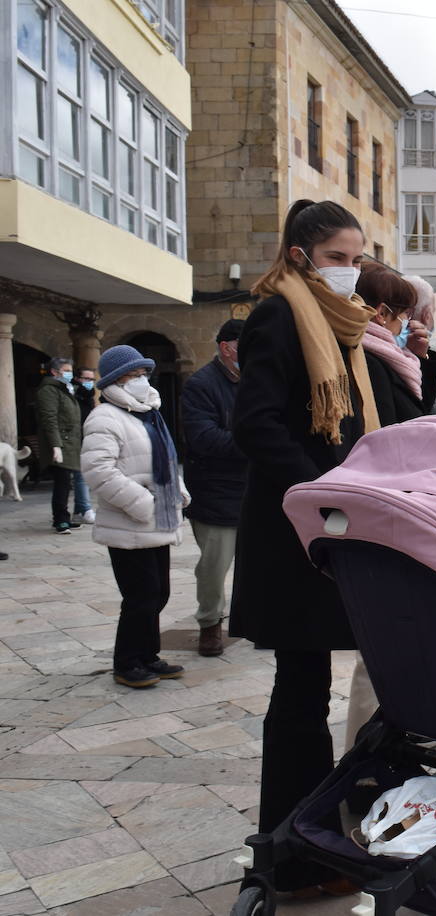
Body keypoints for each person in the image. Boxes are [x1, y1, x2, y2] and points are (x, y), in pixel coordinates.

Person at [229, 198, 377, 894]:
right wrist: (320, 492)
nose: (350, 273)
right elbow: (255, 425)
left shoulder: (338, 325)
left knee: (305, 687)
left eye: (357, 260)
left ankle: (300, 843)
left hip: (324, 528)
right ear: (299, 256)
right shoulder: (281, 315)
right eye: (337, 259)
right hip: (295, 534)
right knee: (299, 692)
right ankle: (295, 855)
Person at [81, 345, 189, 688]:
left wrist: (178, 492)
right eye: (134, 375)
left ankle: (148, 655)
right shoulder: (104, 417)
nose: (142, 381)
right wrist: (142, 503)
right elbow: (98, 471)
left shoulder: (148, 413)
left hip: (157, 521)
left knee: (158, 594)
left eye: (144, 374)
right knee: (140, 596)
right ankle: (126, 662)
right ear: (116, 380)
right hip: (130, 522)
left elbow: (166, 460)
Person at [181, 319, 249, 658]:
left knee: (254, 563)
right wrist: (254, 444)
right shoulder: (201, 385)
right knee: (214, 565)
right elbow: (204, 438)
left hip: (251, 489)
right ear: (227, 348)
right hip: (214, 490)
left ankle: (253, 619)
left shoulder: (255, 381)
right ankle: (210, 624)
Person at [356, 263, 436, 424]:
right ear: (382, 314)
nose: (407, 320)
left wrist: (419, 356)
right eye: (406, 312)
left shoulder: (389, 356)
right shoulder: (373, 363)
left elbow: (420, 405)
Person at [35, 357, 84, 534]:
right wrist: (56, 445)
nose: (69, 373)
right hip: (61, 443)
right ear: (55, 372)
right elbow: (50, 419)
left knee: (66, 482)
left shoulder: (64, 389)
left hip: (70, 443)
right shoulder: (49, 390)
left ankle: (65, 516)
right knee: (62, 483)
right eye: (66, 370)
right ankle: (60, 520)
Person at [72, 366, 98, 524]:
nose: (89, 382)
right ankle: (86, 508)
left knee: (84, 475)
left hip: (87, 438)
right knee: (80, 475)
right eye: (86, 379)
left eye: (92, 379)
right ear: (77, 379)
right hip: (76, 439)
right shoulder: (73, 395)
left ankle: (79, 511)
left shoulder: (89, 396)